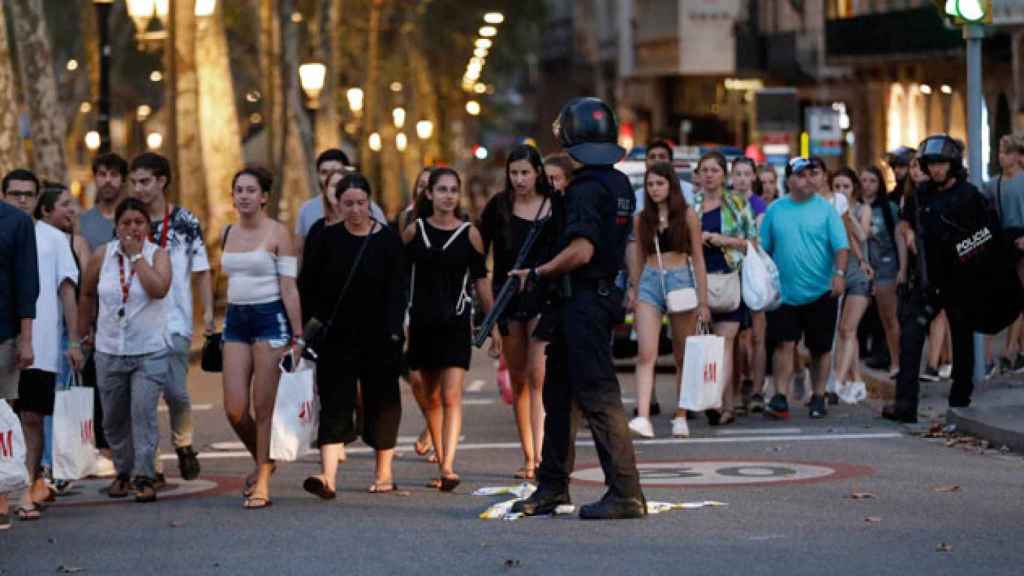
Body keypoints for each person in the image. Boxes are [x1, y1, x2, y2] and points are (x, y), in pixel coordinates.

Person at [510, 97, 645, 520]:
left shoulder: (587, 188)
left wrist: (538, 272)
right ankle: (551, 486)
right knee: (559, 395)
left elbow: (582, 250)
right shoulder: (618, 183)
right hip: (589, 301)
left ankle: (625, 492)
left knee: (598, 397)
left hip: (583, 300)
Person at [884, 135, 1020, 422]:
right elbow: (907, 222)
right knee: (910, 336)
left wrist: (958, 253)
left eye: (941, 163)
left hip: (962, 279)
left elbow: (987, 235)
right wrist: (909, 238)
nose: (936, 170)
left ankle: (960, 400)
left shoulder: (971, 196)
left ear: (953, 164)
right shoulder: (921, 194)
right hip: (928, 279)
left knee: (961, 337)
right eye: (931, 164)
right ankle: (905, 404)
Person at [299, 173, 405, 497]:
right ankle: (328, 477)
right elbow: (308, 286)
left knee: (383, 403)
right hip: (336, 336)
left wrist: (396, 329)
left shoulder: (387, 240)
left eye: (361, 203)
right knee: (333, 403)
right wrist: (307, 329)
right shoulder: (325, 238)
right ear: (337, 203)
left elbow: (398, 289)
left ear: (370, 203)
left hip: (379, 335)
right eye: (348, 203)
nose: (356, 210)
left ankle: (384, 473)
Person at [403, 167, 496, 492]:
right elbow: (400, 276)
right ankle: (441, 459)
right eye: (441, 189)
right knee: (429, 396)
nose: (447, 196)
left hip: (456, 321)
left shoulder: (470, 233)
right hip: (422, 322)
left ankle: (448, 466)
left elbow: (480, 279)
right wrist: (399, 321)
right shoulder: (414, 231)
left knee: (451, 394)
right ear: (429, 194)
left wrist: (493, 322)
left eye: (453, 190)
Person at [78, 197, 171, 503]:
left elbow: (159, 289)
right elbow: (87, 293)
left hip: (149, 351)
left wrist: (136, 258)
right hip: (109, 349)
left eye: (139, 223)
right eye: (126, 223)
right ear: (116, 227)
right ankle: (123, 471)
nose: (132, 228)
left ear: (148, 227)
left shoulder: (157, 255)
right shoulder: (102, 256)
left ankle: (144, 476)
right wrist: (82, 334)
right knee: (113, 419)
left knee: (142, 414)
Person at [2, 171, 83, 520]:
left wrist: (74, 340)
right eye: (16, 193)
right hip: (9, 337)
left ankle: (27, 487)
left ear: (38, 199)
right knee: (6, 415)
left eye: (29, 194)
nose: (22, 199)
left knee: (31, 417)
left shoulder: (52, 238)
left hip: (41, 341)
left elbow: (66, 290)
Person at [220, 167, 302, 508]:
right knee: (235, 409)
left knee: (263, 406)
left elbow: (288, 287)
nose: (243, 196)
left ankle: (262, 481)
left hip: (271, 319)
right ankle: (265, 458)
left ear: (264, 196)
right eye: (239, 190)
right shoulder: (227, 232)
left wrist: (297, 336)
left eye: (251, 190)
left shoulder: (279, 233)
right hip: (236, 320)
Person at [479, 144, 562, 479]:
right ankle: (529, 456)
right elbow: (478, 252)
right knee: (519, 380)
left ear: (538, 172)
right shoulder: (498, 207)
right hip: (509, 298)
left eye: (525, 172)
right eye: (514, 173)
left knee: (539, 375)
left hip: (544, 296)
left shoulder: (554, 205)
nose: (519, 179)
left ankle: (541, 455)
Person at [128, 153, 206, 481]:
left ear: (162, 181)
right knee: (143, 401)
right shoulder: (132, 222)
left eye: (144, 181)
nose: (138, 188)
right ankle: (151, 464)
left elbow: (201, 271)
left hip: (176, 321)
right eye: (134, 182)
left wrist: (210, 318)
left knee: (176, 392)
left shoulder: (185, 221)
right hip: (139, 321)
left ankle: (184, 443)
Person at [760, 157, 849, 420]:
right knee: (783, 344)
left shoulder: (826, 209)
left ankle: (819, 395)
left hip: (821, 290)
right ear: (788, 180)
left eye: (811, 174)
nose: (808, 179)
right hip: (784, 293)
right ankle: (780, 396)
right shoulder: (775, 210)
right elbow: (764, 249)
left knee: (820, 348)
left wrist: (840, 274)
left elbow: (841, 246)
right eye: (801, 175)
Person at [626, 161, 708, 438]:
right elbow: (636, 257)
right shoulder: (641, 218)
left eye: (660, 183)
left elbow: (698, 258)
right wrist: (634, 289)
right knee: (646, 352)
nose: (654, 189)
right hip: (650, 281)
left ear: (671, 185)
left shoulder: (687, 216)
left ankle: (681, 414)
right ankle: (643, 416)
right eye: (650, 184)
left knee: (681, 353)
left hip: (681, 280)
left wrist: (703, 301)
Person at [692, 151, 757, 425]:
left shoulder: (737, 204)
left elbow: (753, 243)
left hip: (730, 278)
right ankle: (724, 405)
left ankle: (716, 401)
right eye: (704, 170)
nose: (709, 175)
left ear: (724, 175)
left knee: (724, 344)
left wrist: (721, 239)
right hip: (698, 281)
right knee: (705, 344)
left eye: (714, 170)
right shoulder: (690, 206)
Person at [0, 176, 39, 528]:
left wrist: (26, 339)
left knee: (3, 418)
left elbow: (27, 284)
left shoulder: (16, 222)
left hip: (3, 336)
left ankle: (7, 497)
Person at [295, 149, 385, 260]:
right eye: (324, 172)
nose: (329, 176)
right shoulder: (308, 211)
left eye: (336, 172)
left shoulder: (371, 209)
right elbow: (301, 253)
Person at [860, 166, 907, 380]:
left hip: (886, 267)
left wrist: (903, 269)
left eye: (872, 180)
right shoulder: (855, 209)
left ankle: (897, 362)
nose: (867, 185)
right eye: (864, 180)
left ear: (879, 184)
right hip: (861, 269)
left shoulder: (889, 209)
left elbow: (900, 240)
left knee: (889, 318)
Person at [830, 169, 873, 402]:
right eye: (837, 186)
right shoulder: (828, 209)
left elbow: (861, 235)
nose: (841, 191)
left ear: (853, 188)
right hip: (837, 273)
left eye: (846, 186)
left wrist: (845, 213)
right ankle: (854, 379)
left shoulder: (861, 209)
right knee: (845, 331)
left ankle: (837, 380)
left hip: (859, 274)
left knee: (848, 328)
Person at [731, 157, 767, 412]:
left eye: (746, 174)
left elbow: (759, 242)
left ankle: (756, 391)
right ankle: (736, 386)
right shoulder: (724, 203)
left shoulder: (759, 204)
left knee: (757, 334)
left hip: (754, 273)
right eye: (738, 174)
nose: (742, 178)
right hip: (730, 274)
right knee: (735, 337)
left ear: (753, 177)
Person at [985, 133, 1024, 372]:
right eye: (1000, 150)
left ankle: (1012, 349)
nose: (1001, 156)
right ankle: (1007, 351)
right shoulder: (994, 184)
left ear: (1018, 156)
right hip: (1005, 239)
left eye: (1006, 151)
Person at [80, 153, 128, 251]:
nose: (108, 180)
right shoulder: (82, 222)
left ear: (123, 180)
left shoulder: (135, 219)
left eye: (114, 175)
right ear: (95, 179)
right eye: (102, 174)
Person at [642, 139, 695, 205]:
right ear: (645, 163)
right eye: (652, 157)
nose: (657, 160)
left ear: (671, 162)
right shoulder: (636, 196)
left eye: (662, 157)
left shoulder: (690, 191)